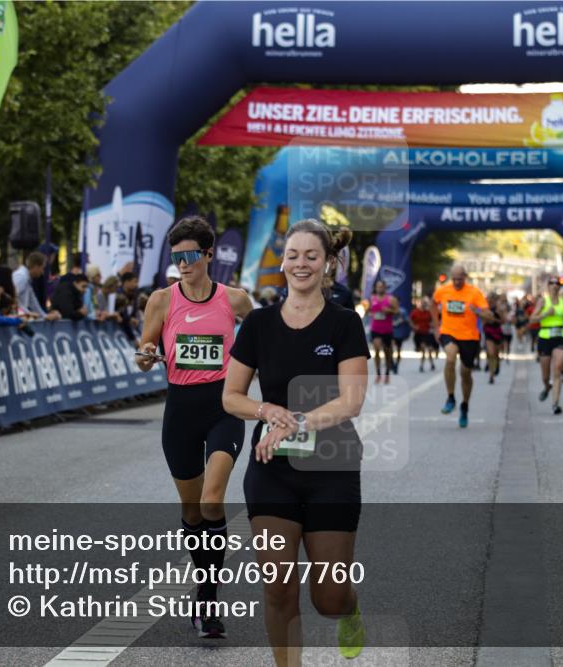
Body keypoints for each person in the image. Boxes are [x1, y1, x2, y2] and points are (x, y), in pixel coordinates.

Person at [222, 219, 368, 665]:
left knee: (327, 597)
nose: (300, 263)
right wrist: (267, 412)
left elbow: (353, 400)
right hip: (272, 470)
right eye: (292, 255)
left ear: (327, 264)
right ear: (282, 262)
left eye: (311, 256)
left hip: (332, 468)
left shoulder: (344, 324)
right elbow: (231, 396)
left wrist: (299, 421)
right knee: (279, 587)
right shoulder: (260, 324)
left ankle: (348, 608)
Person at [135, 216, 253, 639]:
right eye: (176, 257)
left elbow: (256, 346)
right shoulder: (162, 301)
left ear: (208, 255)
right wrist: (146, 354)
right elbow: (146, 347)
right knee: (191, 510)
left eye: (189, 256)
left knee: (212, 500)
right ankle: (202, 589)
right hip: (181, 410)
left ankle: (207, 597)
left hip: (224, 406)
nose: (182, 264)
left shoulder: (236, 301)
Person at [432, 265, 492, 428]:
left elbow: (489, 315)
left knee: (465, 373)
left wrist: (478, 312)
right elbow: (433, 303)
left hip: (469, 337)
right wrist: (436, 326)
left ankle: (464, 405)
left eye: (460, 279)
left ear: (465, 277)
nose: (457, 282)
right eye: (455, 279)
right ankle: (450, 397)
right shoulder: (443, 291)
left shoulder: (474, 293)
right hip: (448, 332)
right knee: (450, 358)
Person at [530, 277, 563, 414]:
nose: (554, 286)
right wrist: (545, 314)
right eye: (551, 283)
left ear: (559, 286)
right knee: (545, 376)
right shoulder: (542, 301)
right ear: (548, 286)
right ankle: (547, 387)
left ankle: (555, 404)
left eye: (557, 284)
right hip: (545, 337)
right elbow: (532, 319)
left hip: (559, 336)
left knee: (558, 369)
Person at [13, 252, 60, 320]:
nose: (42, 272)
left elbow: (33, 302)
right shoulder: (21, 277)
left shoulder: (26, 278)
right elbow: (13, 300)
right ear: (36, 266)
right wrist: (28, 313)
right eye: (42, 268)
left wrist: (45, 316)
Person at [368, 280, 398, 384]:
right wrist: (370, 313)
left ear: (385, 288)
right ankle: (378, 373)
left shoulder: (391, 299)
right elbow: (368, 310)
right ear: (375, 288)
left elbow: (397, 311)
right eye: (378, 286)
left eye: (381, 287)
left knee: (387, 352)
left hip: (387, 330)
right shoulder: (372, 299)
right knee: (376, 349)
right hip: (375, 329)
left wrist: (389, 310)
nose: (380, 288)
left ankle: (387, 373)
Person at [481, 291, 503, 385]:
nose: (490, 300)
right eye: (488, 298)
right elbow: (483, 321)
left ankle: (497, 364)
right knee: (491, 353)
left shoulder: (499, 308)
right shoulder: (485, 308)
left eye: (492, 299)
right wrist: (486, 319)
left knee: (496, 354)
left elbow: (503, 321)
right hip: (488, 331)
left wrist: (495, 318)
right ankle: (491, 376)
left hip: (497, 332)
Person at [410, 297, 436, 372]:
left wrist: (433, 326)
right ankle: (421, 365)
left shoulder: (428, 312)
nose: (424, 305)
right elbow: (410, 320)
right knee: (423, 349)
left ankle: (432, 363)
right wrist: (414, 327)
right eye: (423, 303)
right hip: (419, 334)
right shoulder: (415, 312)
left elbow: (433, 321)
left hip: (427, 333)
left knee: (430, 350)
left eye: (425, 303)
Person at [391, 304, 411, 374]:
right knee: (390, 349)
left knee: (399, 351)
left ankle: (396, 364)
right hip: (391, 333)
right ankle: (392, 363)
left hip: (399, 334)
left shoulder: (402, 311)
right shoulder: (390, 310)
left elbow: (407, 320)